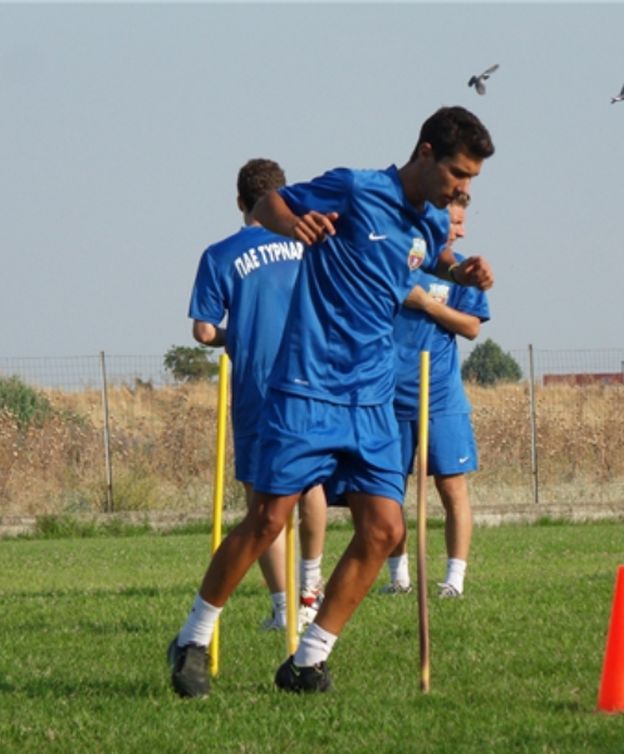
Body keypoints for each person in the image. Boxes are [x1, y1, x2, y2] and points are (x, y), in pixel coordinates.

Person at [168, 106, 495, 697]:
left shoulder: (426, 222)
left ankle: (308, 660)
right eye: (456, 174)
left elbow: (426, 258)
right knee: (269, 519)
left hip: (370, 397)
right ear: (425, 153)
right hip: (308, 386)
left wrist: (463, 274)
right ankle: (193, 635)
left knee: (384, 530)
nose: (462, 189)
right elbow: (271, 205)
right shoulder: (355, 187)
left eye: (470, 180)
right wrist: (292, 226)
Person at [188, 158, 327, 633]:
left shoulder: (219, 254)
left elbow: (204, 331)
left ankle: (285, 605)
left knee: (262, 501)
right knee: (311, 484)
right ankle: (312, 588)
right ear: (281, 198)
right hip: (311, 377)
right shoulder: (307, 244)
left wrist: (239, 334)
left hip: (255, 385)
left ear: (240, 202)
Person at [380, 191, 489, 599]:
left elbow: (472, 326)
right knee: (388, 492)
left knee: (451, 487)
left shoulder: (464, 271)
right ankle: (399, 578)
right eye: (454, 223)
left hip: (440, 397)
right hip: (389, 396)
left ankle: (453, 581)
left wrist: (427, 304)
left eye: (462, 223)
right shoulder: (399, 261)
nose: (460, 231)